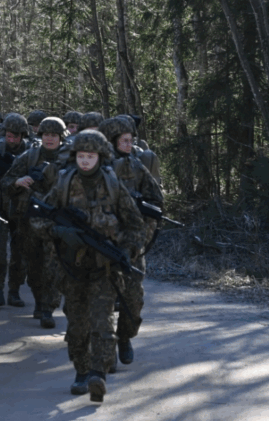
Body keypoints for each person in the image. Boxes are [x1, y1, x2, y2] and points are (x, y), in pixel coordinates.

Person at [36, 130, 144, 402]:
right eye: (81, 156)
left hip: (104, 269)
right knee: (77, 326)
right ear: (75, 157)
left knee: (102, 323)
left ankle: (98, 373)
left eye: (91, 156)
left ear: (100, 157)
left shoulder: (112, 184)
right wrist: (59, 232)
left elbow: (135, 225)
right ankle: (81, 371)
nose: (85, 161)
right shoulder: (63, 183)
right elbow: (37, 219)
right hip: (71, 268)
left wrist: (125, 251)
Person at [100, 116, 163, 367]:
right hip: (101, 245)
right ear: (112, 141)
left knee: (132, 300)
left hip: (132, 246)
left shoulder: (136, 167)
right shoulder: (94, 166)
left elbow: (156, 203)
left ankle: (124, 337)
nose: (130, 144)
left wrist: (140, 235)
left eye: (131, 140)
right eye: (125, 140)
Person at [2, 116, 69, 328]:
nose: (50, 139)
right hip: (29, 221)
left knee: (54, 266)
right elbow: (5, 181)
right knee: (34, 266)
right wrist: (17, 182)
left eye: (54, 135)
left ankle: (48, 308)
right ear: (41, 136)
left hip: (56, 222)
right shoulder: (28, 157)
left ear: (61, 137)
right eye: (46, 134)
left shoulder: (69, 159)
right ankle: (40, 302)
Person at [0, 112, 33, 309]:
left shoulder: (30, 153)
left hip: (21, 208)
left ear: (23, 135)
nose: (11, 140)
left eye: (15, 136)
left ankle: (14, 290)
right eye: (8, 136)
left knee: (19, 253)